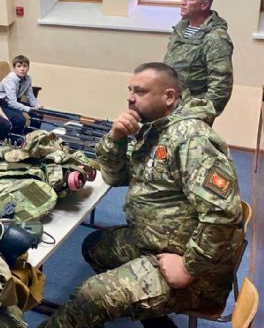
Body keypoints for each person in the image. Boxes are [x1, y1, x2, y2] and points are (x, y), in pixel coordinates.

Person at [39, 62, 243, 328]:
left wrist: (188, 268)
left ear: (169, 96)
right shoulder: (156, 131)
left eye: (140, 91)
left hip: (197, 270)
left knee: (92, 296)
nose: (130, 97)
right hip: (156, 242)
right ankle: (155, 319)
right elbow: (115, 176)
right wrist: (116, 137)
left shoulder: (191, 138)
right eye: (130, 90)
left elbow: (223, 214)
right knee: (95, 246)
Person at [163, 0, 233, 121]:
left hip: (190, 113)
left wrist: (200, 115)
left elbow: (221, 85)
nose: (183, 2)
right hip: (169, 103)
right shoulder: (181, 27)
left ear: (204, 5)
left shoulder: (216, 38)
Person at [0, 54, 43, 135]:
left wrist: (37, 106)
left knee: (38, 114)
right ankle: (15, 138)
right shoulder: (10, 79)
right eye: (19, 66)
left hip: (13, 101)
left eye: (25, 66)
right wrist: (29, 109)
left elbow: (31, 97)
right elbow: (12, 103)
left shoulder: (28, 79)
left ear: (28, 68)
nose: (22, 69)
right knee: (20, 118)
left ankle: (31, 135)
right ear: (14, 68)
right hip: (1, 103)